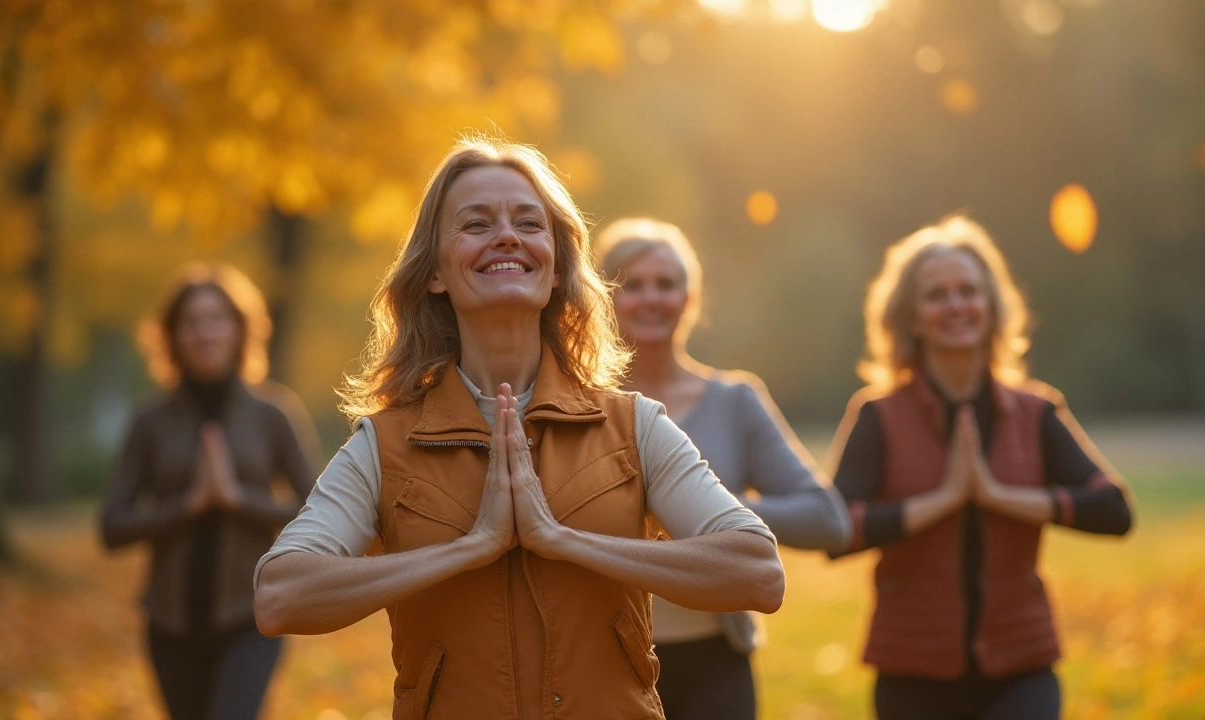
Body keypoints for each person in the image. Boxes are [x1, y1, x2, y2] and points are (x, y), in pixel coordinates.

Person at [252, 137, 785, 720]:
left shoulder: (635, 426)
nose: (506, 235)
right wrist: (472, 547)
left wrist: (563, 540)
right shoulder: (381, 446)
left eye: (529, 223)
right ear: (433, 271)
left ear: (555, 266)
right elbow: (281, 597)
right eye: (476, 224)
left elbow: (757, 573)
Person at [827, 215, 1134, 720]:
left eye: (968, 290)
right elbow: (834, 530)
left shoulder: (1037, 411)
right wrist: (942, 500)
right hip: (911, 671)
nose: (955, 305)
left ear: (992, 307)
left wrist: (995, 495)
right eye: (936, 295)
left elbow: (1115, 510)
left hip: (1022, 667)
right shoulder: (878, 415)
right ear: (911, 317)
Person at [594, 217, 850, 720]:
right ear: (603, 299)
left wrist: (711, 512)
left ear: (690, 299)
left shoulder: (735, 400)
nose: (650, 298)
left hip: (715, 662)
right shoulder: (578, 404)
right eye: (632, 284)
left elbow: (829, 519)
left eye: (666, 284)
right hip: (603, 656)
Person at [101, 264, 317, 720]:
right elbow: (112, 527)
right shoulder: (150, 421)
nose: (205, 333)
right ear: (172, 336)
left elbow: (315, 510)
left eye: (217, 319)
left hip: (253, 616)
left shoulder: (273, 414)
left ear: (241, 331)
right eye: (191, 322)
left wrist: (236, 498)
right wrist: (189, 505)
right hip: (169, 623)